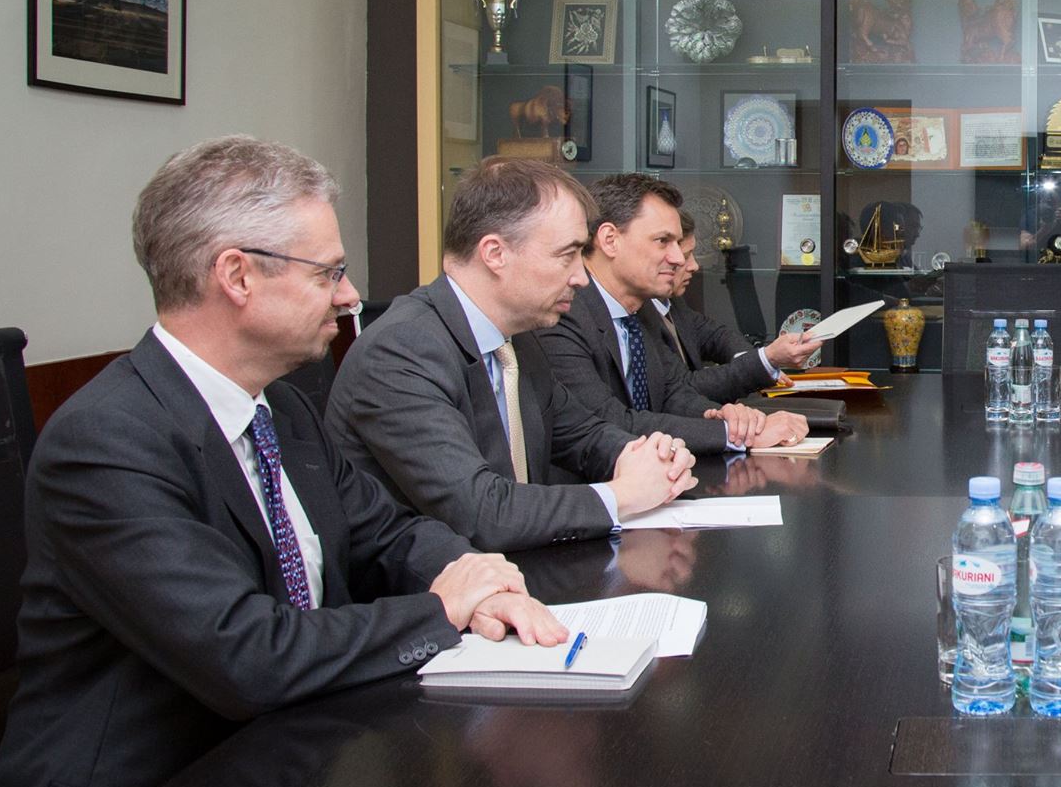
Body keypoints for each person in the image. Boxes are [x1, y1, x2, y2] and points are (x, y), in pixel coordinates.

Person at [0, 137, 567, 787]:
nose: (350, 296)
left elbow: (385, 533)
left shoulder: (281, 408)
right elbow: (247, 654)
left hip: (289, 763)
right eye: (329, 273)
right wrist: (442, 608)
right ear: (237, 275)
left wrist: (479, 578)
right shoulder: (107, 442)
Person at [326, 158, 696, 552]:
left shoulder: (518, 340)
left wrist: (649, 456)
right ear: (495, 253)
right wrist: (621, 495)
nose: (581, 277)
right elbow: (483, 513)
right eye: (567, 255)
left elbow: (582, 435)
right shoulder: (401, 351)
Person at [536, 173, 810, 455]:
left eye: (677, 243)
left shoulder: (641, 309)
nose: (679, 259)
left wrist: (723, 416)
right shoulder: (563, 313)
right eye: (662, 241)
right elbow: (606, 422)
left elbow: (673, 392)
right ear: (610, 240)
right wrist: (734, 435)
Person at [650, 210, 821, 403]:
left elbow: (715, 336)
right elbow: (684, 390)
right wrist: (765, 360)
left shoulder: (671, 302)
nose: (694, 266)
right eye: (686, 256)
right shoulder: (639, 314)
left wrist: (755, 361)